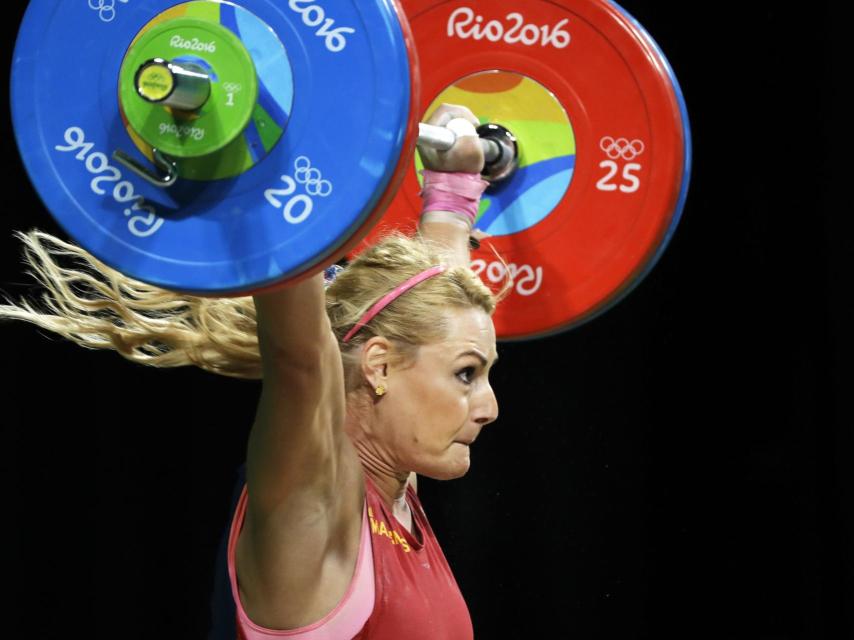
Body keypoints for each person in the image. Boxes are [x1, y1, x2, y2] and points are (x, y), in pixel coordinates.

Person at [0, 104, 507, 639]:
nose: (490, 407)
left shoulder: (395, 484)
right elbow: (301, 357)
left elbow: (437, 313)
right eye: (467, 375)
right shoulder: (318, 499)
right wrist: (266, 142)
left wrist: (453, 188)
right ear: (378, 369)